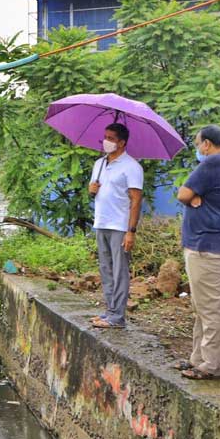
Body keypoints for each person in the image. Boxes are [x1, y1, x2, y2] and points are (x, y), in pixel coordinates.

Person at [176, 125, 220, 379]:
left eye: (199, 144)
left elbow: (183, 193)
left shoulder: (213, 164)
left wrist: (192, 197)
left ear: (207, 144)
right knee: (205, 305)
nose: (198, 149)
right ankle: (198, 358)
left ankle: (212, 365)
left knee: (210, 309)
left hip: (206, 247)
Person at [88, 123, 144, 329]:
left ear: (122, 142)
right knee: (106, 269)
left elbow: (136, 200)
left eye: (111, 138)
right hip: (101, 222)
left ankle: (117, 317)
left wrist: (131, 231)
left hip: (120, 226)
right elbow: (94, 191)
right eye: (105, 136)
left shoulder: (132, 167)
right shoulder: (99, 164)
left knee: (119, 271)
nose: (106, 141)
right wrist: (91, 189)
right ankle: (109, 311)